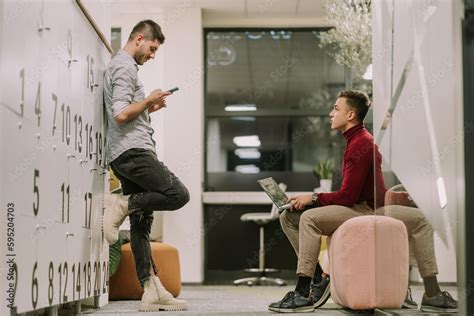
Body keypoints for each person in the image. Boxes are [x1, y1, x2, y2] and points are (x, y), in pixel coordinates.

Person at [268, 90, 457, 313]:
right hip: (364, 206)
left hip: (366, 210)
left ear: (350, 115)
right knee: (289, 216)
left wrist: (314, 198)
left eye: (336, 108)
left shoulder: (362, 143)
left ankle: (302, 293)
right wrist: (311, 199)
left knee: (308, 218)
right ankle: (319, 279)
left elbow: (348, 197)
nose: (330, 113)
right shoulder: (356, 141)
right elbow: (367, 190)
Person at [102, 20, 190, 312]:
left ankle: (151, 288)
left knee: (141, 224)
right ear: (139, 38)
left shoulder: (124, 68)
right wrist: (148, 99)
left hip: (126, 151)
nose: (152, 55)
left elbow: (129, 112)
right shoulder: (124, 67)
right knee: (178, 194)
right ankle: (122, 204)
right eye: (152, 48)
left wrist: (149, 107)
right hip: (133, 152)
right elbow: (119, 114)